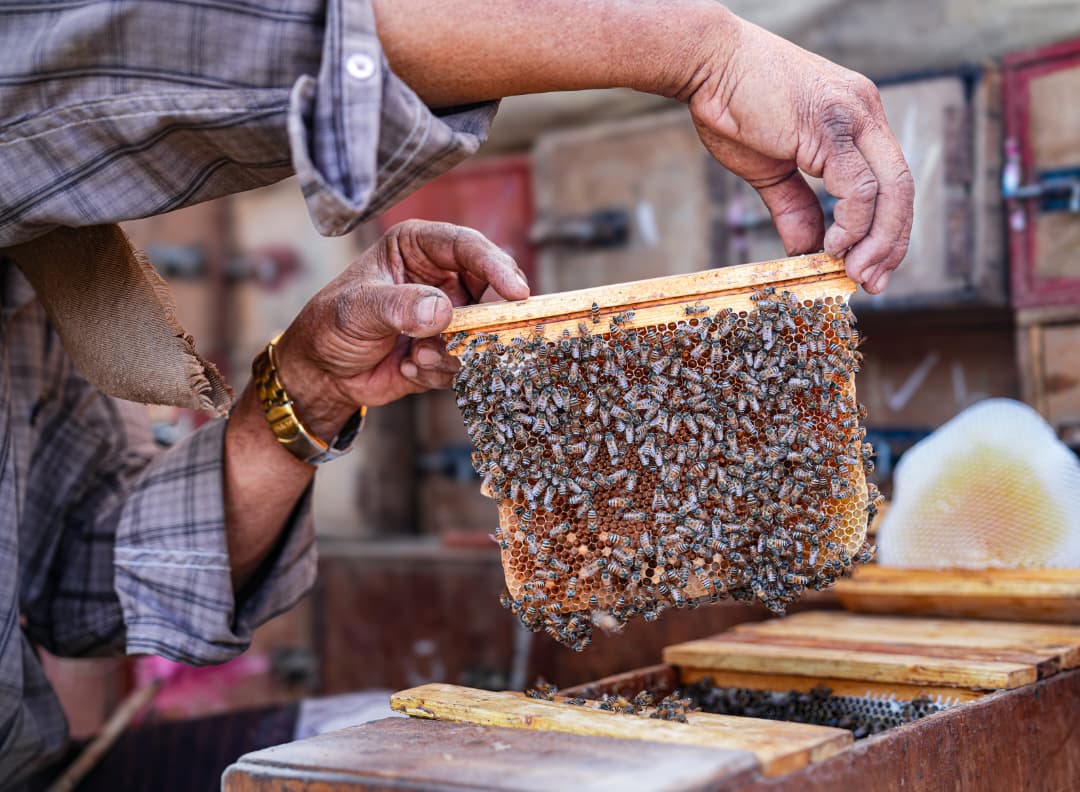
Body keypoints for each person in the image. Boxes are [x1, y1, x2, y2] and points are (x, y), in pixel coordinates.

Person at [0, 0, 913, 786]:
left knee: (504, 759)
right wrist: (700, 50)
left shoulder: (30, 283)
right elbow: (156, 41)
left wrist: (309, 385)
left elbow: (97, 580)